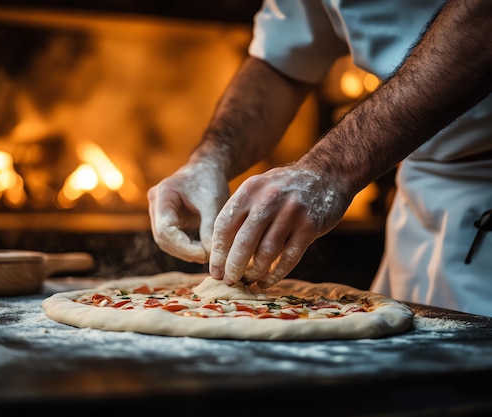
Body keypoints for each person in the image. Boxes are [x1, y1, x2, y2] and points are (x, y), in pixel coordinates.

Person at [147, 0, 492, 316]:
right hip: (419, 200)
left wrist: (330, 169)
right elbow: (282, 62)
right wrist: (211, 158)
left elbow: (482, 22)